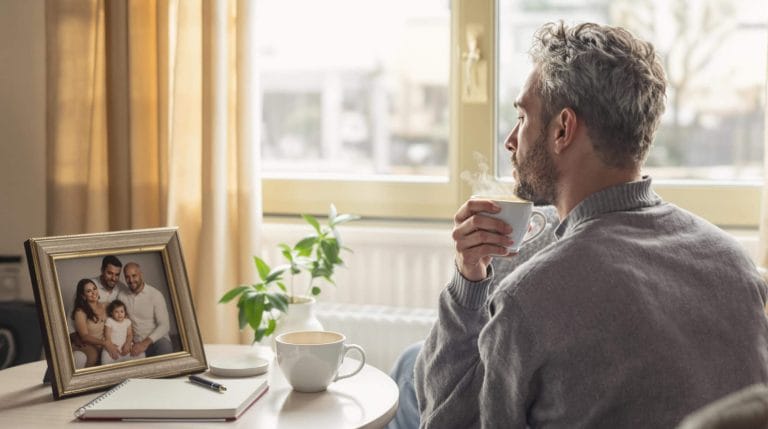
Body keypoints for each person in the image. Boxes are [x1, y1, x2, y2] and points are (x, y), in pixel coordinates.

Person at [414, 21, 768, 429]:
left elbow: (444, 423)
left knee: (410, 377)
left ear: (563, 129)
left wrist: (468, 283)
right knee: (414, 360)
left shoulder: (527, 299)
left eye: (523, 117)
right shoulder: (734, 265)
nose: (511, 140)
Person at [386, 205, 559, 429]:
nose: (515, 170)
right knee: (411, 360)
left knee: (420, 378)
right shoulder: (535, 224)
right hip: (497, 352)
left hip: (519, 371)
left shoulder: (561, 252)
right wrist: (469, 274)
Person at [117, 262, 173, 357]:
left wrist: (144, 344)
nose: (131, 280)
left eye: (134, 275)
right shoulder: (121, 296)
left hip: (155, 341)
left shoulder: (155, 295)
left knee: (165, 348)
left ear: (141, 275)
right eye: (127, 277)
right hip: (133, 343)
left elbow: (165, 325)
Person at [70, 278, 120, 367]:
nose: (93, 293)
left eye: (94, 289)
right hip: (89, 344)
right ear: (83, 296)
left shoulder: (107, 305)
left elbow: (122, 317)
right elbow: (84, 337)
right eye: (89, 291)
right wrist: (105, 343)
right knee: (93, 356)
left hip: (103, 344)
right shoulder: (80, 312)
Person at [101, 299, 144, 364]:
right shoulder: (110, 321)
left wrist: (128, 343)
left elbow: (130, 335)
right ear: (111, 313)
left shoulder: (127, 322)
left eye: (122, 311)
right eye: (116, 312)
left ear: (125, 312)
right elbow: (107, 337)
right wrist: (111, 346)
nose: (119, 314)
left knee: (142, 355)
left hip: (126, 347)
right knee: (105, 360)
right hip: (113, 347)